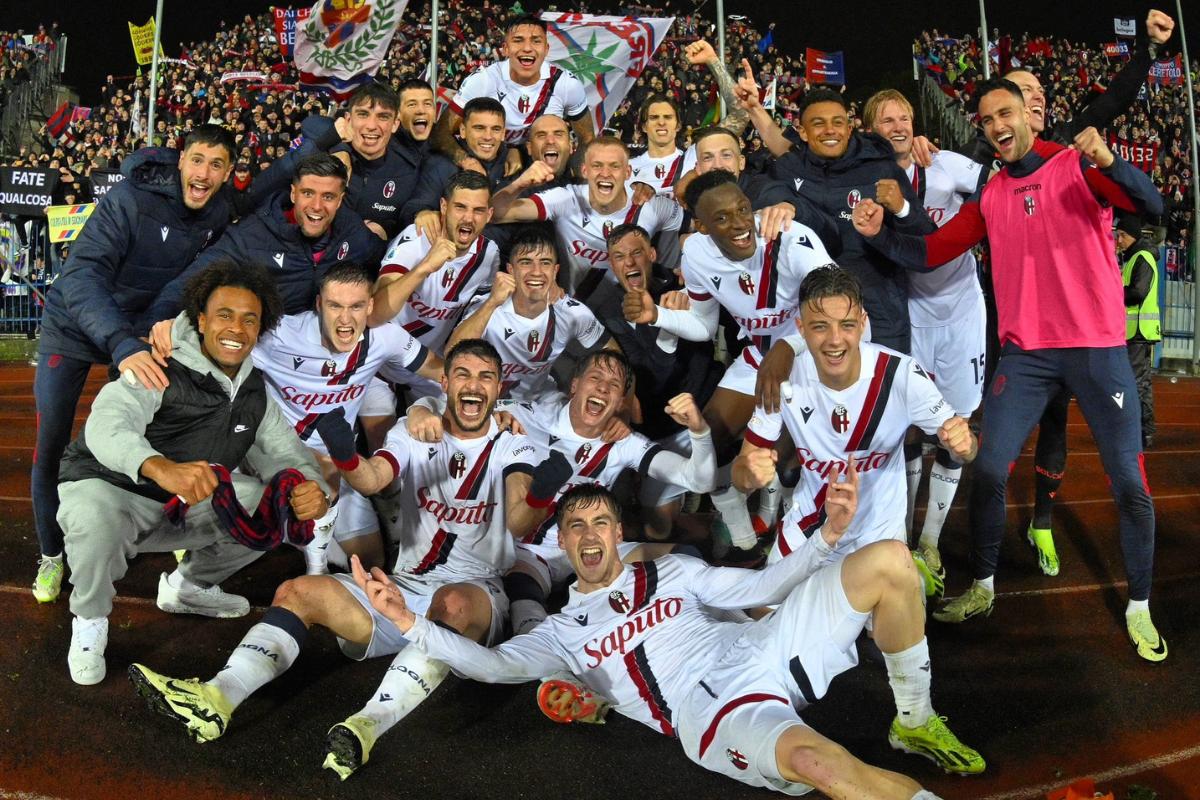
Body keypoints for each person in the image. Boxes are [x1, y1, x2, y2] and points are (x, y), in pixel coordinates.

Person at [349, 482, 981, 798]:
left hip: (762, 646)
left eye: (600, 520)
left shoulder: (673, 570)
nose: (590, 533)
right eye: (576, 526)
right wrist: (410, 624)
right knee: (821, 765)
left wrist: (827, 537)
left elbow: (762, 584)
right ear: (564, 543)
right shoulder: (562, 633)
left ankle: (916, 720)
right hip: (713, 709)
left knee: (892, 561)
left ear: (616, 530)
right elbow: (486, 666)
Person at [128, 340, 564, 780]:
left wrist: (541, 494)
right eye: (464, 375)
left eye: (486, 376)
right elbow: (373, 479)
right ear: (446, 383)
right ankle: (216, 698)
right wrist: (344, 453)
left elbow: (518, 518)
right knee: (297, 591)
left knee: (450, 604)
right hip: (405, 588)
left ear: (498, 386)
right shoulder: (412, 432)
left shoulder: (515, 446)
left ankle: (365, 727)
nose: (474, 385)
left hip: (477, 594)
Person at [852, 78, 1166, 661]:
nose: (996, 124)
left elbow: (1151, 205)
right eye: (986, 117)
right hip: (1026, 356)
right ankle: (984, 585)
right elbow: (932, 251)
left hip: (1097, 350)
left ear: (1029, 116)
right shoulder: (992, 195)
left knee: (1128, 484)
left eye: (1006, 112)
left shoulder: (1076, 166)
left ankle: (1140, 604)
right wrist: (881, 235)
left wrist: (1111, 161)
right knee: (990, 468)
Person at [58, 262, 328, 685]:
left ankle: (187, 587)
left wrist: (311, 487)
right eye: (224, 315)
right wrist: (159, 467)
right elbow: (106, 426)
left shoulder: (255, 393)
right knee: (92, 514)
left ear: (260, 329)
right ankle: (90, 622)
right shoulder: (158, 362)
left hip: (180, 506)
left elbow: (286, 454)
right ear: (201, 319)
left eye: (249, 319)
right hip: (113, 490)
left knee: (269, 501)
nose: (236, 328)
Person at [32, 124, 236, 605]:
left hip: (141, 330)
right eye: (197, 160)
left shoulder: (222, 212)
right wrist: (123, 343)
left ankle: (146, 526)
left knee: (155, 432)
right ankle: (51, 554)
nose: (204, 173)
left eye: (217, 164)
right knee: (52, 442)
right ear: (180, 160)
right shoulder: (129, 198)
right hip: (76, 326)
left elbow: (274, 203)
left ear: (228, 174)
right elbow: (81, 275)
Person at [735, 266, 979, 611]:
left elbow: (966, 451)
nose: (835, 340)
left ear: (862, 323)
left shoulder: (901, 375)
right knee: (762, 612)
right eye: (820, 326)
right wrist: (749, 472)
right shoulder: (781, 378)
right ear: (801, 329)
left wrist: (965, 444)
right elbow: (742, 471)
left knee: (897, 632)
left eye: (846, 325)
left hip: (878, 533)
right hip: (812, 523)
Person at [636, 170, 835, 559]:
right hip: (760, 354)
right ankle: (736, 508)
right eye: (722, 218)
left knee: (782, 457)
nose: (740, 224)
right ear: (701, 226)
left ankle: (777, 520)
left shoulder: (792, 238)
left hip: (817, 355)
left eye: (742, 209)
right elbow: (703, 325)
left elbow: (834, 311)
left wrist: (791, 346)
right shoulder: (695, 253)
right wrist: (655, 316)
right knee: (707, 439)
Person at [862, 89, 988, 597]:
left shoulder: (944, 164)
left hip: (960, 312)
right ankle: (902, 533)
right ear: (870, 126)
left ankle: (931, 542)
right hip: (908, 311)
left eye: (905, 117)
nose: (897, 125)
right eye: (887, 118)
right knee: (909, 429)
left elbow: (996, 187)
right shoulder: (865, 174)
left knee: (955, 428)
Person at [735, 76, 935, 354]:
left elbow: (928, 245)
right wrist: (780, 200)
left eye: (838, 122)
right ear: (802, 132)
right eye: (818, 124)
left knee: (884, 391)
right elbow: (753, 186)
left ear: (850, 127)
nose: (830, 130)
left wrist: (902, 208)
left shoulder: (881, 167)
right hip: (814, 311)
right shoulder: (790, 167)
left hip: (881, 309)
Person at [595, 223, 725, 539]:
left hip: (706, 408)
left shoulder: (687, 283)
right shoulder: (607, 312)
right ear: (611, 264)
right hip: (656, 427)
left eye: (637, 253)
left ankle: (731, 501)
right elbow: (654, 373)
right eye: (619, 256)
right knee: (659, 527)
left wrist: (687, 303)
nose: (629, 263)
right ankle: (700, 510)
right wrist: (667, 324)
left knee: (731, 470)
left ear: (652, 254)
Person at [145, 153, 386, 320]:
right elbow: (188, 283)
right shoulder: (253, 235)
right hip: (270, 354)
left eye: (328, 197)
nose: (316, 206)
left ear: (340, 200)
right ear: (293, 194)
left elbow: (385, 263)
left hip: (329, 350)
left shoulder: (352, 231)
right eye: (308, 193)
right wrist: (154, 325)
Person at [491, 136, 684, 303]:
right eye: (597, 165)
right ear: (585, 171)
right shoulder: (566, 199)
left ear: (627, 172)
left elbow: (693, 226)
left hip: (633, 310)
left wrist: (684, 266)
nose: (605, 173)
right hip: (577, 311)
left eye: (614, 166)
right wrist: (519, 183)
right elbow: (496, 214)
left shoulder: (652, 205)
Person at [445, 227, 615, 401]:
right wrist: (491, 303)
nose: (536, 271)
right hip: (484, 401)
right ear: (510, 270)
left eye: (545, 263)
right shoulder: (487, 305)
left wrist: (625, 401)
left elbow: (613, 353)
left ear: (555, 271)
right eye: (526, 262)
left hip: (537, 403)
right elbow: (451, 354)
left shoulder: (571, 312)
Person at [370, 171, 500, 360]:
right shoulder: (416, 238)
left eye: (478, 210)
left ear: (489, 215)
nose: (468, 218)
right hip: (380, 360)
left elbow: (472, 322)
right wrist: (424, 267)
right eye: (460, 207)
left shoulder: (489, 255)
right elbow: (374, 315)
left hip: (429, 363)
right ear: (444, 206)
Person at [434, 15, 592, 159]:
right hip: (488, 163)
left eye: (536, 41)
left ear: (546, 49)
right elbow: (441, 133)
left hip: (543, 166)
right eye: (518, 40)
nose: (527, 48)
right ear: (505, 49)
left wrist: (578, 182)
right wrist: (467, 162)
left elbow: (587, 140)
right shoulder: (483, 80)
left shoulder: (566, 84)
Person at [1115, 213, 1160, 450]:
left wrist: (1113, 291)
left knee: (1138, 382)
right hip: (1134, 331)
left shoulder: (1142, 258)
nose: (1118, 240)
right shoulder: (1134, 257)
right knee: (1136, 381)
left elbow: (1137, 293)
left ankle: (1144, 431)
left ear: (1132, 236)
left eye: (1122, 235)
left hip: (1140, 331)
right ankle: (1141, 430)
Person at [629, 95, 685, 195]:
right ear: (644, 127)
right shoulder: (628, 168)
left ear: (678, 126)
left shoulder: (693, 163)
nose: (661, 122)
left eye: (668, 117)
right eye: (654, 118)